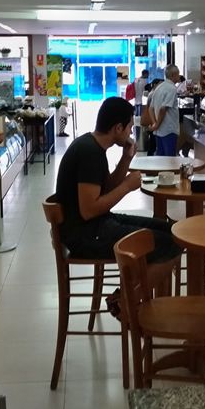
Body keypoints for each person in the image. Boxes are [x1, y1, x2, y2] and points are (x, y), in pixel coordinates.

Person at [55, 96, 181, 262]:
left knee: (170, 229)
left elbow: (106, 188)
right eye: (129, 127)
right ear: (118, 128)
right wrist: (126, 187)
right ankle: (130, 289)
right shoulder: (89, 152)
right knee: (169, 242)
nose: (130, 132)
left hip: (97, 225)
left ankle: (134, 286)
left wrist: (126, 158)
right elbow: (89, 210)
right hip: (86, 235)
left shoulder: (93, 145)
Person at [149, 65, 181, 156]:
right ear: (173, 75)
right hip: (169, 130)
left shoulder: (159, 87)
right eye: (178, 74)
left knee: (160, 159)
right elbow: (163, 109)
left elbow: (151, 108)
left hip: (159, 131)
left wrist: (155, 124)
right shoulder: (172, 88)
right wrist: (157, 125)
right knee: (169, 159)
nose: (179, 76)